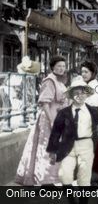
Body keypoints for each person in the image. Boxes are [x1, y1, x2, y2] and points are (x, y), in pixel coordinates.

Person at [16, 56, 70, 185]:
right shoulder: (50, 81)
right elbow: (45, 103)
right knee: (46, 147)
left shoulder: (59, 81)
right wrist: (51, 120)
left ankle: (50, 179)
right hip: (49, 117)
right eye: (58, 66)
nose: (61, 68)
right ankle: (44, 179)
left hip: (59, 117)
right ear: (53, 67)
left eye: (63, 66)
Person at [46, 78, 98, 186]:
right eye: (76, 93)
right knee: (64, 176)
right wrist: (52, 151)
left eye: (82, 93)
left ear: (87, 94)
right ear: (72, 95)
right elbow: (56, 132)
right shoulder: (64, 113)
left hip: (86, 145)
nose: (79, 95)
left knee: (84, 178)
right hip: (67, 146)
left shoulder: (93, 111)